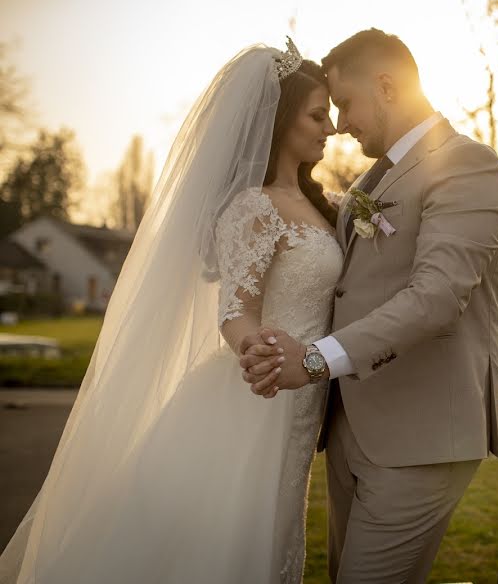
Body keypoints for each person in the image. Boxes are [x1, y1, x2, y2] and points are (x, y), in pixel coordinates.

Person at [0, 39, 339, 583]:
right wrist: (258, 352)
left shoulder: (323, 206)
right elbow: (235, 310)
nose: (331, 128)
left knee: (271, 537)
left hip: (303, 404)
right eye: (318, 114)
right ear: (279, 119)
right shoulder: (253, 206)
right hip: (258, 396)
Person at [241, 29, 498, 583]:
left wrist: (315, 360)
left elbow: (436, 298)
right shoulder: (374, 178)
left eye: (344, 103)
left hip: (420, 436)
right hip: (352, 428)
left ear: (387, 86)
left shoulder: (466, 164)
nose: (340, 123)